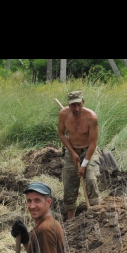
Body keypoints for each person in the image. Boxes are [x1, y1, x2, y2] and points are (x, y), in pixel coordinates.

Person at [57, 90, 102, 221]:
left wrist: (83, 165)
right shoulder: (63, 114)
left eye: (79, 104)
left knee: (91, 179)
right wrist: (71, 152)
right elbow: (61, 134)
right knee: (69, 182)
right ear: (68, 105)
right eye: (73, 105)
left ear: (83, 102)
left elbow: (93, 143)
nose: (76, 108)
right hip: (72, 151)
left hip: (89, 151)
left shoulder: (91, 117)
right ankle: (70, 218)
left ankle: (95, 212)